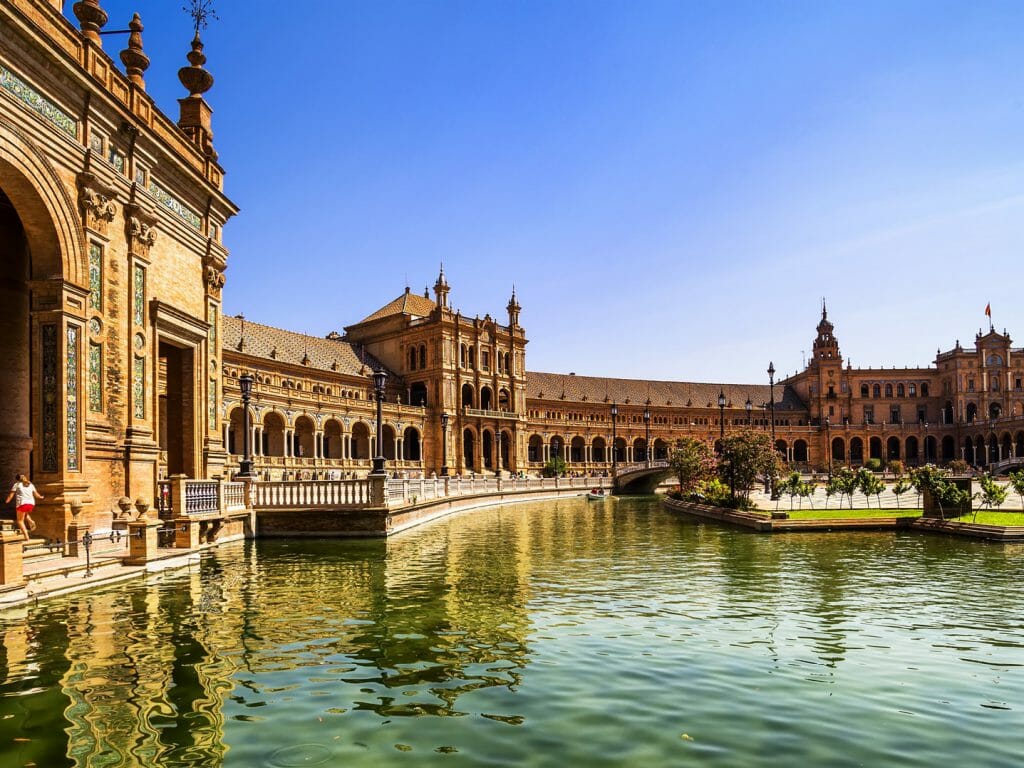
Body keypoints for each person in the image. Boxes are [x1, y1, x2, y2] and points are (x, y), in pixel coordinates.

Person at [6, 474, 42, 540]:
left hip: (22, 503)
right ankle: (31, 521)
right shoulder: (31, 484)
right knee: (24, 513)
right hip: (31, 503)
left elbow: (10, 495)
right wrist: (41, 497)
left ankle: (26, 536)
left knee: (20, 521)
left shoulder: (16, 485)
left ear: (17, 480)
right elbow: (36, 494)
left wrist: (7, 501)